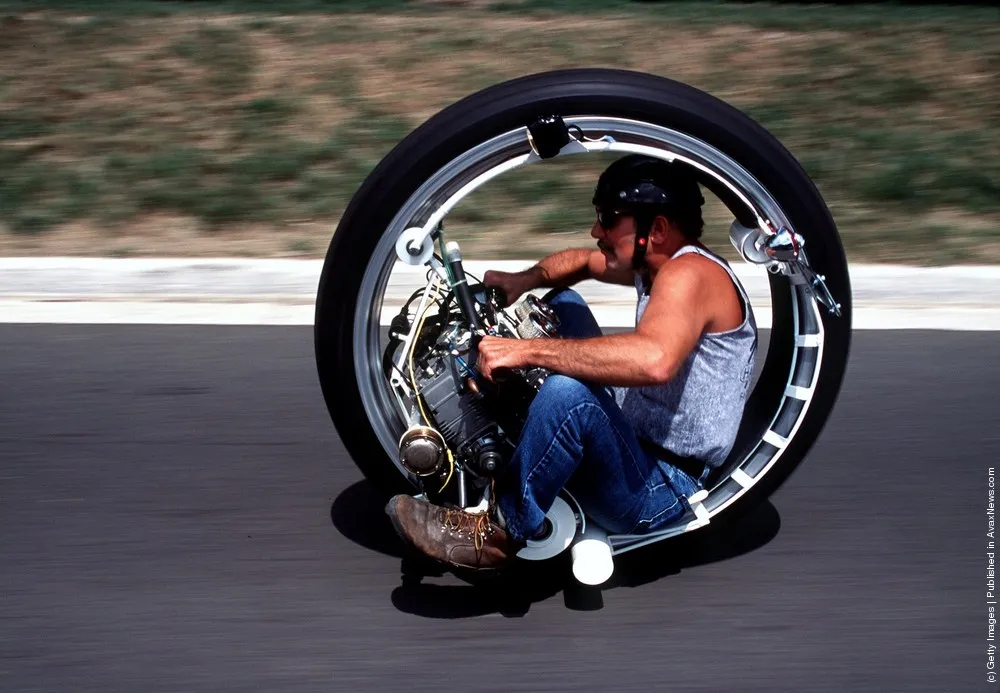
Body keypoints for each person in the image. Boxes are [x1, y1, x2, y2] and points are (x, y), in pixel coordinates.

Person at [385, 154, 758, 570]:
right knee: (564, 303)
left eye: (609, 218)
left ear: (657, 229)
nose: (597, 230)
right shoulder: (658, 261)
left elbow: (654, 361)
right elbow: (583, 261)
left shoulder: (690, 274)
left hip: (662, 484)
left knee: (568, 396)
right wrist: (526, 280)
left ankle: (497, 533)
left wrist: (526, 351)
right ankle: (522, 425)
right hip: (634, 434)